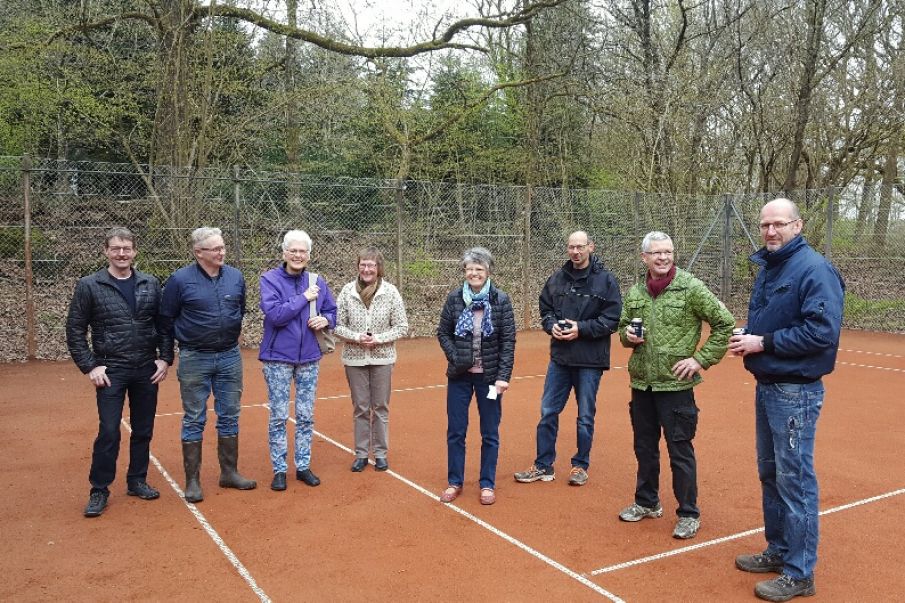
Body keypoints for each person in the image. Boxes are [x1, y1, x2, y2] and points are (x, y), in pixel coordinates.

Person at [729, 198, 844, 602]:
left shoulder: (814, 269)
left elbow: (821, 332)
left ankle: (800, 572)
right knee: (771, 473)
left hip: (795, 390)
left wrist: (763, 341)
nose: (770, 231)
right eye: (765, 225)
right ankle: (779, 551)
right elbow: (780, 317)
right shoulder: (772, 266)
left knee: (795, 480)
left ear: (798, 225)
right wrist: (751, 332)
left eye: (778, 224)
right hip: (770, 384)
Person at [616, 231, 734, 540]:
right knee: (644, 447)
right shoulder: (636, 293)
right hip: (642, 384)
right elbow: (621, 331)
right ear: (644, 257)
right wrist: (629, 336)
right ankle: (647, 502)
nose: (662, 257)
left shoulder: (691, 287)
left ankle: (688, 512)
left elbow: (725, 324)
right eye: (656, 253)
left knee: (679, 450)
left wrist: (700, 360)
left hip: (677, 386)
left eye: (667, 252)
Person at [66, 227, 173, 517]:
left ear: (135, 251)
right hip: (110, 369)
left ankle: (137, 480)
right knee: (109, 430)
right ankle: (99, 489)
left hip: (146, 368)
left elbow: (163, 325)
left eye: (127, 248)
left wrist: (165, 359)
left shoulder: (151, 283)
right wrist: (90, 365)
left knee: (143, 429)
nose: (122, 253)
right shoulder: (90, 285)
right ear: (106, 251)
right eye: (116, 248)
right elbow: (75, 329)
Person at [514, 231, 622, 487]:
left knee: (585, 415)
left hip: (589, 361)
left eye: (580, 247)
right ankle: (543, 465)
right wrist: (550, 325)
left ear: (590, 247)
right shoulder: (557, 279)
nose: (576, 252)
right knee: (548, 411)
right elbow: (545, 308)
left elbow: (612, 319)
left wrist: (580, 329)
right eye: (571, 247)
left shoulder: (606, 281)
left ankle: (580, 466)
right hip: (560, 359)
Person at [160, 227, 256, 503]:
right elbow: (166, 321)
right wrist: (166, 357)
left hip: (229, 356)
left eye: (222, 247)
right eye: (215, 249)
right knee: (194, 417)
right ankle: (193, 481)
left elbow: (241, 309)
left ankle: (229, 473)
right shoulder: (179, 280)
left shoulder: (236, 277)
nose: (221, 252)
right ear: (198, 252)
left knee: (229, 414)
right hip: (194, 357)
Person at [437, 247, 516, 505]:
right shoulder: (454, 299)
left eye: (479, 269)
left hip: (490, 378)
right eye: (470, 269)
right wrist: (456, 357)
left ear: (488, 271)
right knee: (456, 431)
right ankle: (454, 481)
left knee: (490, 432)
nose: (474, 273)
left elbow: (508, 341)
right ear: (464, 272)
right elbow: (443, 333)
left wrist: (503, 376)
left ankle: (487, 484)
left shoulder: (501, 300)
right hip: (459, 376)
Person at [259, 230, 337, 491]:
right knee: (279, 416)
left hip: (309, 357)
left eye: (302, 251)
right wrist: (304, 298)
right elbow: (276, 315)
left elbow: (331, 310)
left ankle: (302, 466)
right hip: (277, 358)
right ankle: (279, 469)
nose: (298, 255)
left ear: (309, 255)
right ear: (284, 253)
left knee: (305, 415)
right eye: (293, 250)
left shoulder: (317, 280)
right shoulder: (269, 280)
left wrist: (326, 320)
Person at [334, 247, 408, 473]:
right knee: (361, 408)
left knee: (381, 407)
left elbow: (402, 327)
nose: (367, 269)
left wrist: (379, 339)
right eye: (363, 264)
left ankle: (381, 454)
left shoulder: (391, 292)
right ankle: (361, 454)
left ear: (379, 269)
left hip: (383, 358)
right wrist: (357, 337)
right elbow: (336, 325)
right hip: (354, 360)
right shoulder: (347, 291)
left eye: (371, 265)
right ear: (358, 266)